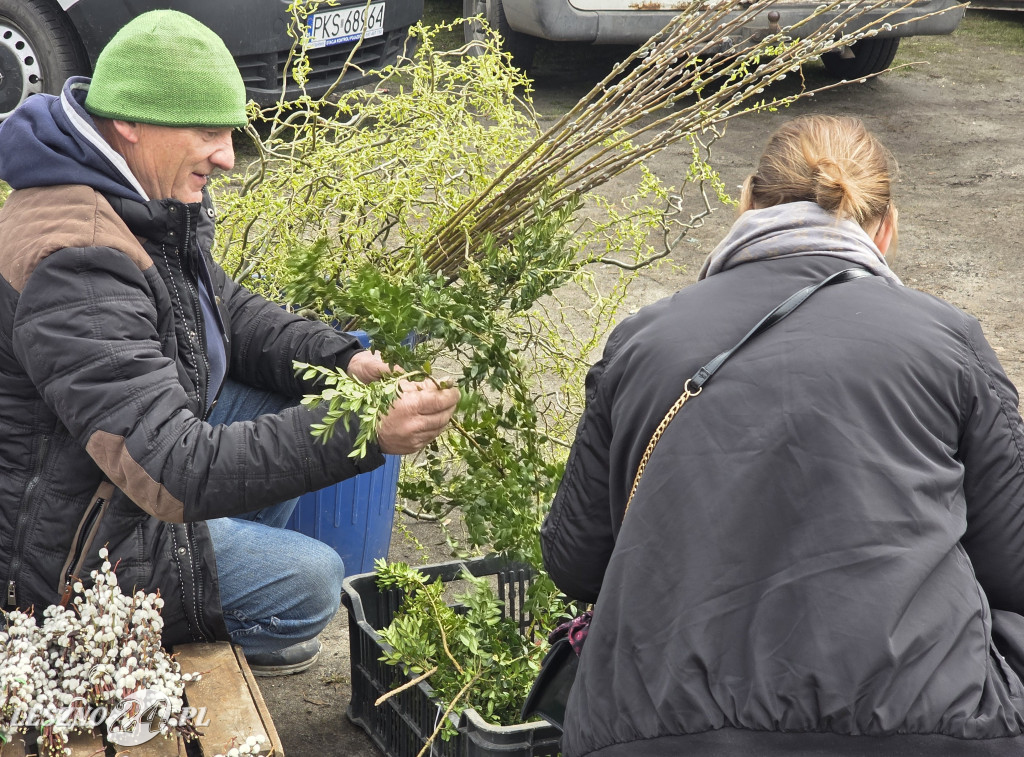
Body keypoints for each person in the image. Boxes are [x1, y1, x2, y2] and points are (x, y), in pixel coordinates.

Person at [541, 115, 1024, 755]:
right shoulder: (948, 341)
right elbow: (1014, 570)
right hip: (932, 725)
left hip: (658, 732)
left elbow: (574, 562)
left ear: (746, 200)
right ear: (888, 229)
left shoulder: (643, 341)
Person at [0, 10, 459, 676]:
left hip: (107, 476)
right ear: (130, 123)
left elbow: (225, 313)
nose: (227, 156)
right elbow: (175, 467)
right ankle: (190, 636)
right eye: (209, 133)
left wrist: (342, 361)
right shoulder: (75, 259)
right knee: (310, 584)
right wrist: (362, 427)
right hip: (61, 559)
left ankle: (216, 567)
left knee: (286, 395)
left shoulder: (127, 193)